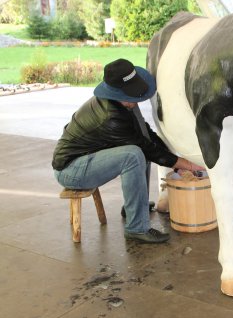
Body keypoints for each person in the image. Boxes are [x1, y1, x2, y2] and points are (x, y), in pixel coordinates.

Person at [52, 58, 201, 243]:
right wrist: (185, 164)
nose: (135, 100)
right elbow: (144, 147)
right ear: (116, 92)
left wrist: (175, 162)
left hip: (88, 157)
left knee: (140, 151)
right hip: (71, 170)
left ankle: (135, 207)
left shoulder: (122, 103)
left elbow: (146, 135)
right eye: (131, 95)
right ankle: (136, 228)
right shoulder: (111, 117)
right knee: (133, 155)